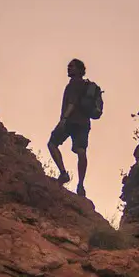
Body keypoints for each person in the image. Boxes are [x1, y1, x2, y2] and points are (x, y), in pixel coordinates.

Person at [47, 57, 99, 196]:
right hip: (84, 123)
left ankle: (63, 173)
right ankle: (81, 185)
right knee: (81, 151)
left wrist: (64, 119)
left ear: (79, 70)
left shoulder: (73, 84)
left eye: (72, 66)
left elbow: (72, 102)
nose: (68, 68)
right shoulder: (86, 85)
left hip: (70, 121)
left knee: (52, 143)